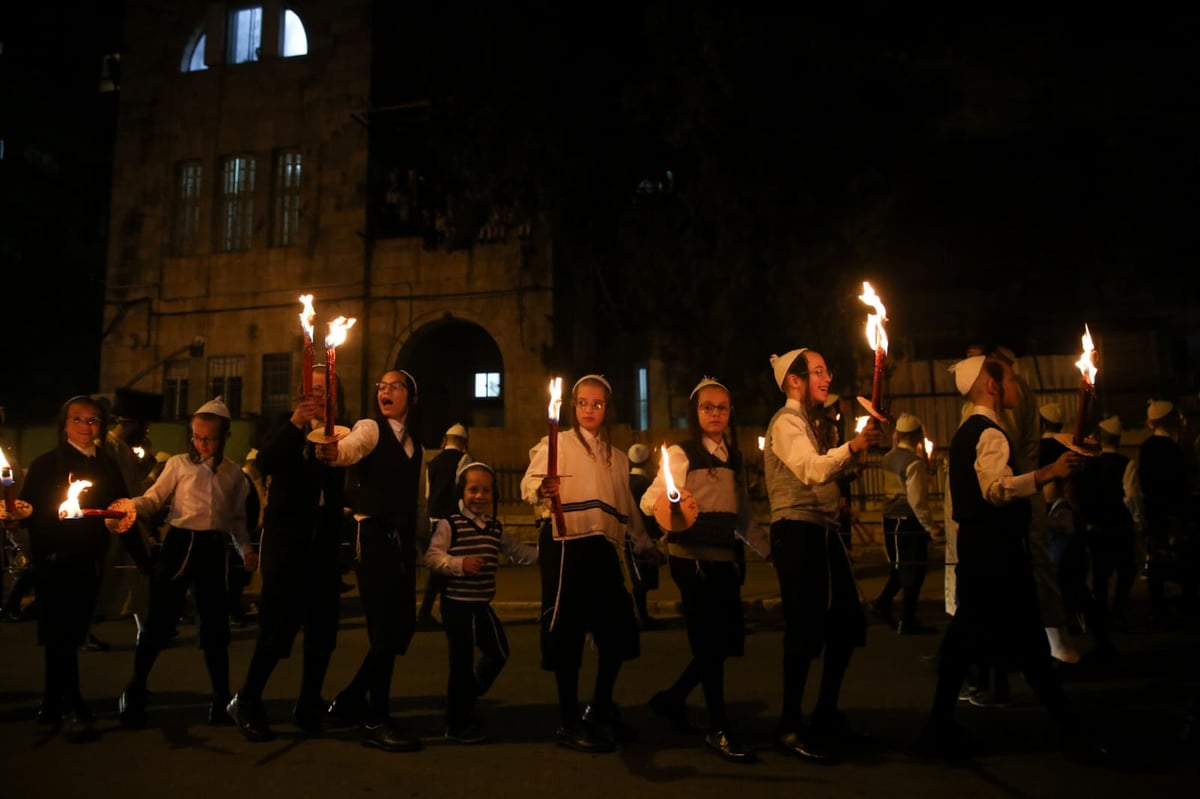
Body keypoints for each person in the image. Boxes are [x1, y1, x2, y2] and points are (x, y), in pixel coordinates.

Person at [920, 354, 1107, 762]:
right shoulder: (990, 433)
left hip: (982, 550)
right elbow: (996, 488)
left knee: (972, 641)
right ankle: (1071, 732)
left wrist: (1060, 453)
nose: (1016, 387)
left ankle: (939, 727)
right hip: (996, 554)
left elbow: (1012, 465)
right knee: (1024, 644)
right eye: (1011, 380)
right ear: (992, 385)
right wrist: (1047, 474)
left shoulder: (975, 429)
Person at [520, 374, 663, 754]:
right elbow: (528, 484)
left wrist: (645, 544)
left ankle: (600, 704)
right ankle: (568, 721)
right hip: (566, 547)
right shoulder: (557, 445)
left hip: (605, 551)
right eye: (583, 403)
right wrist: (543, 489)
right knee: (566, 634)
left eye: (597, 404)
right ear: (572, 406)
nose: (589, 410)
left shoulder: (616, 459)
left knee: (618, 632)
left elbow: (628, 510)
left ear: (607, 409)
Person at [640, 376, 771, 763]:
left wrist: (769, 551)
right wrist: (671, 500)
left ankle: (672, 699)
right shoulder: (683, 455)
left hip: (725, 562)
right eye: (707, 407)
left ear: (730, 413)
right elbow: (651, 499)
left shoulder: (734, 457)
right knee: (710, 645)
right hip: (692, 563)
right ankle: (718, 727)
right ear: (696, 413)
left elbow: (741, 516)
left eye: (722, 407)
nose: (715, 413)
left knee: (725, 644)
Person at [763, 349, 880, 764]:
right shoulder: (787, 422)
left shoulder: (810, 423)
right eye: (817, 371)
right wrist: (851, 446)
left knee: (846, 622)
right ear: (794, 381)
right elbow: (810, 469)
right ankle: (790, 724)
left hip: (822, 532)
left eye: (827, 370)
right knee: (805, 628)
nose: (827, 377)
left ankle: (826, 713)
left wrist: (853, 456)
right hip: (797, 531)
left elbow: (824, 472)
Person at [118, 396, 258, 729]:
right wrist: (131, 506)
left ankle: (221, 698)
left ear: (224, 436)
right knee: (159, 622)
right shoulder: (179, 464)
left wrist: (246, 550)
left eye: (209, 438)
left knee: (215, 627)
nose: (202, 444)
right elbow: (154, 499)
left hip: (212, 548)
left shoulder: (234, 474)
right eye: (196, 437)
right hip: (179, 545)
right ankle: (136, 689)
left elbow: (236, 519)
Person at [227, 365, 348, 742]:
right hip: (288, 545)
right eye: (314, 391)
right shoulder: (284, 426)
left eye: (328, 390)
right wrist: (297, 422)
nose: (321, 397)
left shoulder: (343, 433)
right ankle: (247, 699)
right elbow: (266, 461)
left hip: (324, 546)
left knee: (323, 632)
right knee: (278, 629)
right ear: (300, 393)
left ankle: (309, 702)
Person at [19, 395, 148, 742]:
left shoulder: (106, 465)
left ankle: (50, 701)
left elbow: (123, 513)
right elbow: (30, 513)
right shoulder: (47, 464)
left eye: (93, 420)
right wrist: (32, 523)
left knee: (69, 632)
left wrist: (143, 557)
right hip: (55, 559)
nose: (86, 427)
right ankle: (72, 706)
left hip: (89, 558)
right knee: (61, 632)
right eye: (78, 419)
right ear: (64, 424)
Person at [317, 369, 427, 752]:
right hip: (374, 535)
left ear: (411, 397)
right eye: (381, 386)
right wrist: (334, 451)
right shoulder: (370, 428)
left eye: (395, 386)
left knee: (400, 629)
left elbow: (418, 501)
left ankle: (350, 699)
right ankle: (375, 717)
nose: (386, 391)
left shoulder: (416, 445)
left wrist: (426, 540)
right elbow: (350, 449)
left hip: (401, 543)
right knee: (384, 629)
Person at [425, 461, 537, 744]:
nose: (480, 496)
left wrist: (548, 553)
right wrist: (460, 563)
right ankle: (457, 722)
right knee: (460, 664)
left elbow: (518, 552)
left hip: (482, 605)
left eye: (486, 490)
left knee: (498, 653)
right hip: (457, 605)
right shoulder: (450, 525)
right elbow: (432, 558)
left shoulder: (494, 528)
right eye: (473, 489)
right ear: (461, 491)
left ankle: (466, 698)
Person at [91, 388, 161, 649]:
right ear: (131, 423)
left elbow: (135, 489)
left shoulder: (123, 449)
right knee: (106, 580)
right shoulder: (104, 447)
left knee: (138, 579)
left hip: (131, 520)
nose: (147, 431)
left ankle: (148, 631)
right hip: (111, 524)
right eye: (145, 425)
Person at [871, 412, 941, 635]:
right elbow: (917, 500)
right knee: (914, 572)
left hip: (890, 520)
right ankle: (907, 620)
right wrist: (930, 526)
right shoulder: (913, 462)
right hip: (908, 522)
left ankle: (883, 605)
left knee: (900, 568)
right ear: (917, 435)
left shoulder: (889, 457)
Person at [1076, 415, 1139, 631]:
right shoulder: (1127, 464)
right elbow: (1130, 496)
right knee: (1126, 570)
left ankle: (1100, 616)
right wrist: (1137, 520)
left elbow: (1081, 494)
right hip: (1120, 527)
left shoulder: (1088, 464)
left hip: (1096, 527)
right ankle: (1118, 610)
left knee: (1100, 574)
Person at [1138, 399, 1193, 628]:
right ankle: (1189, 606)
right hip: (1176, 512)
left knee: (1155, 562)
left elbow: (1143, 483)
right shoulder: (1175, 448)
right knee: (1185, 558)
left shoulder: (1146, 447)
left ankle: (1158, 610)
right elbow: (1182, 483)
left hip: (1154, 512)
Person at [420, 422, 472, 629]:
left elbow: (426, 494)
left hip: (433, 521)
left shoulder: (433, 463)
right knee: (446, 571)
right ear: (464, 444)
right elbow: (462, 494)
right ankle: (431, 614)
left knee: (441, 570)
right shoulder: (464, 459)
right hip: (452, 522)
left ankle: (433, 613)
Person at [625, 442, 663, 630]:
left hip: (629, 537)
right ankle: (641, 617)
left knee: (636, 577)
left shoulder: (625, 481)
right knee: (641, 579)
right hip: (642, 536)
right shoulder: (647, 484)